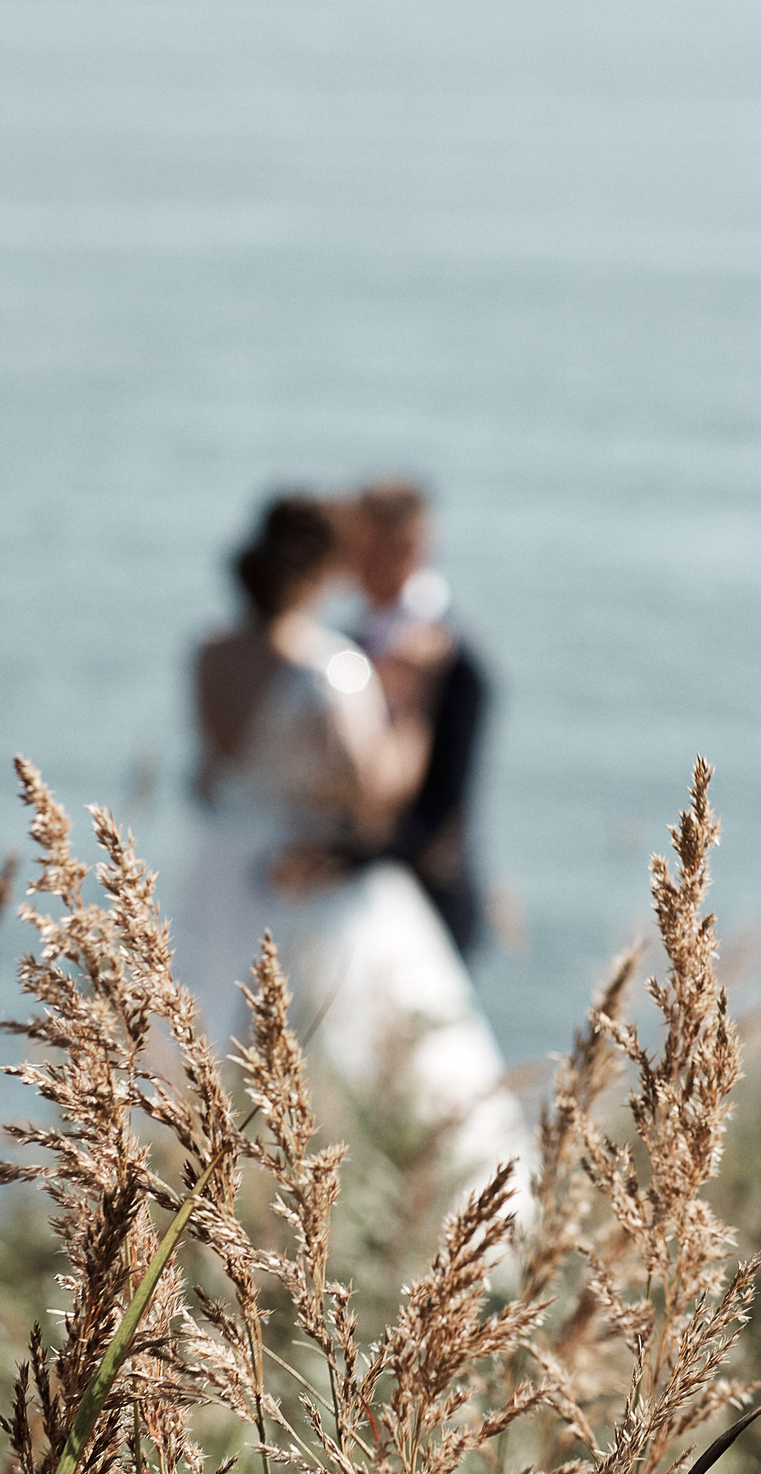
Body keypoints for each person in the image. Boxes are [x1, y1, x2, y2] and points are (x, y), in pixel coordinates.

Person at [173, 493, 529, 1187]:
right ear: (321, 572)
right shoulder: (330, 667)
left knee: (207, 1033)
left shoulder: (209, 654)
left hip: (223, 866)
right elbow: (381, 786)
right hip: (310, 879)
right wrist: (413, 699)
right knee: (341, 1047)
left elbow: (210, 777)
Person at [345, 481, 490, 959]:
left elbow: (442, 810)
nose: (348, 561)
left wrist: (334, 860)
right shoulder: (344, 645)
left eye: (361, 544)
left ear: (409, 547)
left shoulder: (458, 662)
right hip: (346, 903)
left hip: (424, 904)